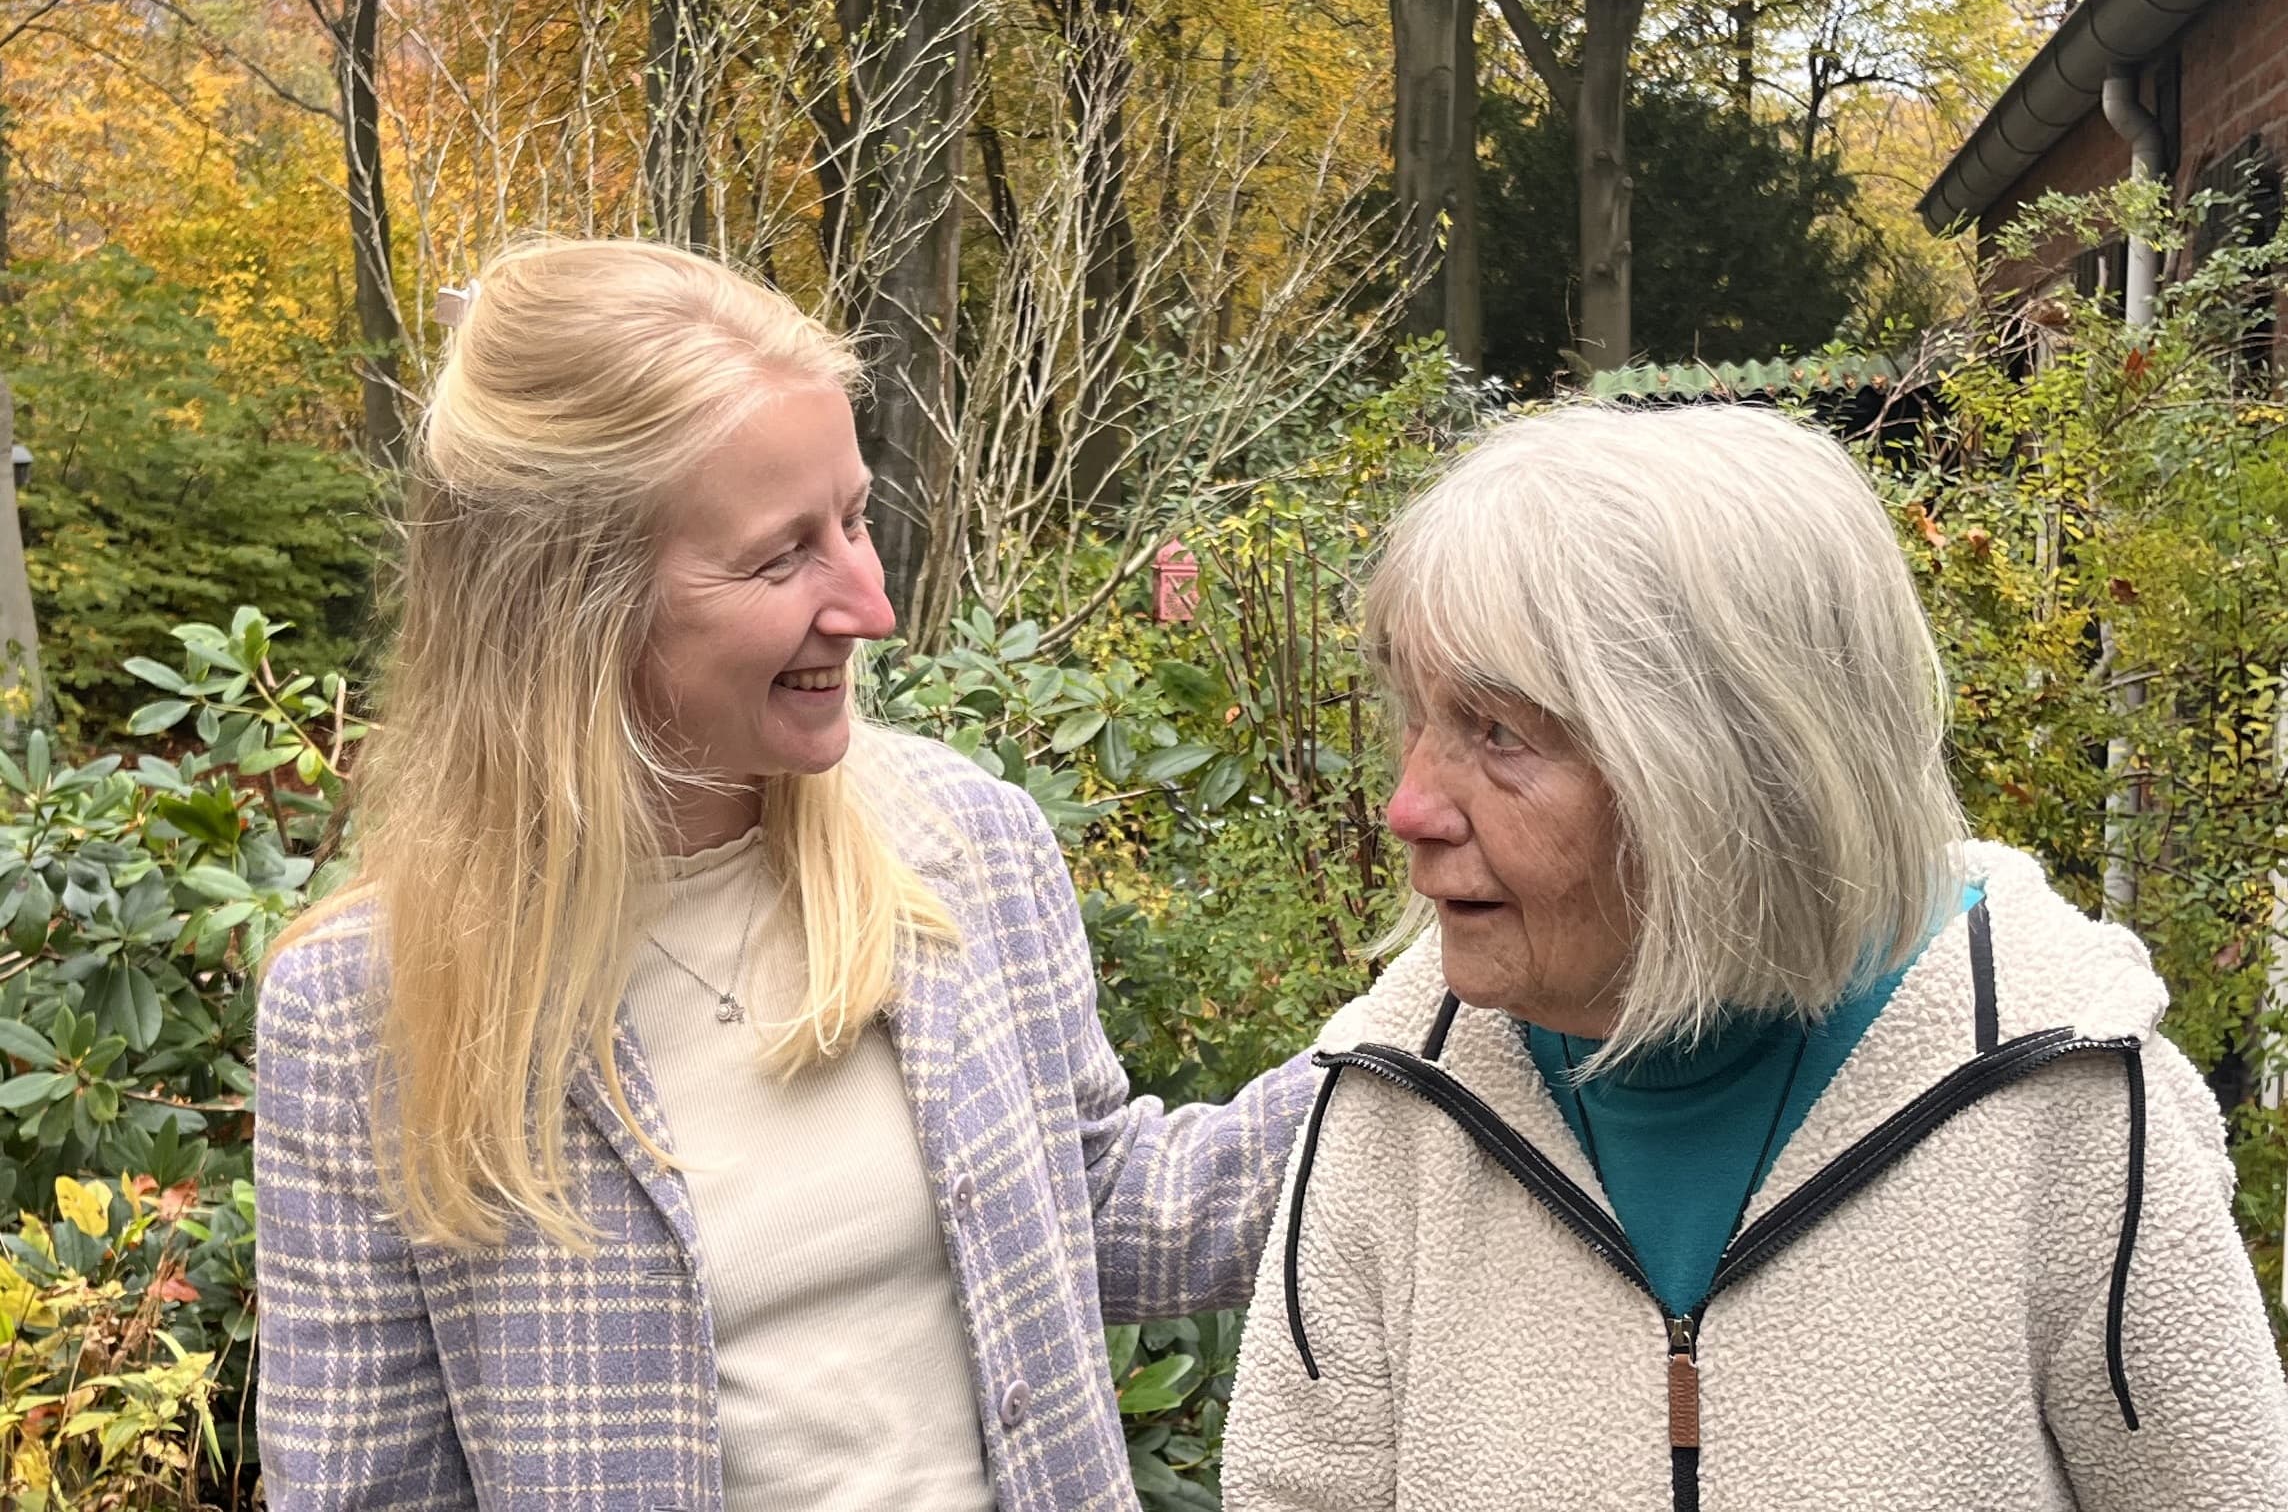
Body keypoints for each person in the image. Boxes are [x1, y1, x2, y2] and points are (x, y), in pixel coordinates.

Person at [253, 237, 1315, 1512]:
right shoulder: (368, 1015)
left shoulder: (957, 843)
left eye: (855, 518)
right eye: (780, 555)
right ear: (568, 607)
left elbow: (1100, 1207)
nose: (869, 602)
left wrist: (1436, 1020)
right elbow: (367, 1491)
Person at [1223, 403, 2288, 1511]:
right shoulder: (1393, 1101)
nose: (1407, 806)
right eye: (1417, 715)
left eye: (1498, 731)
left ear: (1733, 767)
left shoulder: (2063, 1095)